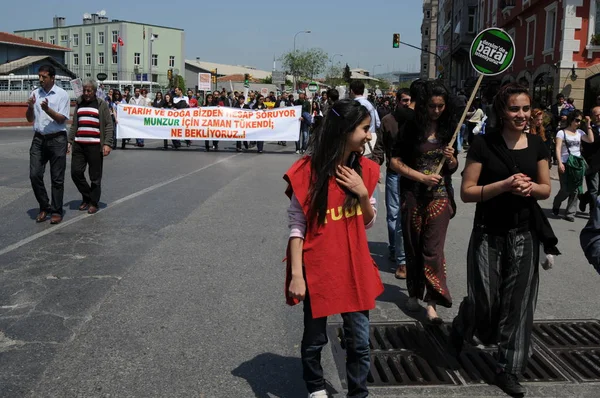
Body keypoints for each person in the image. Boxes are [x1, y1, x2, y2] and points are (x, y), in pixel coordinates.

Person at [451, 83, 552, 397]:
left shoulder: (537, 144)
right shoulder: (484, 144)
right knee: (486, 301)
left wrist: (528, 188)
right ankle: (464, 321)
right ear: (501, 111)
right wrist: (505, 184)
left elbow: (545, 188)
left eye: (525, 108)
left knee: (519, 304)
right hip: (487, 234)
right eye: (514, 109)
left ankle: (508, 368)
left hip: (524, 233)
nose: (521, 115)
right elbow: (467, 193)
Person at [284, 99, 383, 398]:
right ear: (344, 130)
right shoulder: (307, 172)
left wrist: (363, 194)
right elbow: (297, 227)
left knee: (360, 341)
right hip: (318, 269)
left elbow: (367, 222)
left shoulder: (365, 170)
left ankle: (358, 393)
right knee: (315, 340)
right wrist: (297, 276)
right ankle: (316, 388)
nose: (369, 135)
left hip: (355, 268)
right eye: (365, 129)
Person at [390, 80, 458, 323]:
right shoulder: (410, 128)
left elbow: (453, 167)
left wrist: (450, 160)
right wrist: (420, 177)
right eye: (432, 106)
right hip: (413, 195)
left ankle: (432, 302)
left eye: (441, 106)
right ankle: (414, 292)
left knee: (433, 250)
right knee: (414, 246)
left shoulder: (449, 129)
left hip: (439, 197)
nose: (437, 111)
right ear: (424, 106)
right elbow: (394, 162)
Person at [371, 88, 413, 279]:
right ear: (397, 101)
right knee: (394, 214)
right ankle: (395, 249)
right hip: (394, 173)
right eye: (404, 100)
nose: (407, 103)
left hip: (413, 174)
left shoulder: (418, 120)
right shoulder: (388, 121)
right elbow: (380, 146)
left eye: (410, 100)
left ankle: (404, 255)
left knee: (407, 215)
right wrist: (373, 168)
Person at [26, 64, 71, 224]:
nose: (41, 80)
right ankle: (45, 206)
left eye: (44, 77)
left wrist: (47, 110)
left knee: (57, 178)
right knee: (34, 174)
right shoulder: (35, 93)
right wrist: (31, 107)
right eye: (39, 76)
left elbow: (61, 119)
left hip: (57, 139)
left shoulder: (62, 95)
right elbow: (30, 119)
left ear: (52, 78)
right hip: (39, 139)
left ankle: (57, 211)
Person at [67, 78, 114, 215]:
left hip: (95, 146)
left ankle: (93, 203)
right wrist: (69, 141)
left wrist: (107, 143)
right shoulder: (79, 103)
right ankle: (88, 196)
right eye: (84, 90)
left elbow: (108, 125)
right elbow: (74, 124)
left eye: (89, 90)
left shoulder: (101, 104)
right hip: (79, 145)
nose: (86, 93)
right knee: (75, 173)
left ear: (94, 91)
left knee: (95, 177)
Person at [552, 110, 594, 221]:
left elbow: (591, 140)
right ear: (571, 120)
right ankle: (556, 203)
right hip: (565, 163)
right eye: (577, 120)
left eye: (580, 121)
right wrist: (560, 162)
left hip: (577, 164)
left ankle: (570, 213)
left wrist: (588, 125)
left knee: (575, 190)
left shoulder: (580, 132)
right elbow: (558, 148)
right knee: (565, 189)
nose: (579, 123)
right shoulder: (561, 133)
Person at [350, 81, 381, 157]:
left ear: (351, 91)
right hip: (371, 140)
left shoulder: (355, 105)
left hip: (358, 142)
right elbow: (378, 123)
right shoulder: (370, 104)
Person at [579, 106, 600, 212]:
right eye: (597, 115)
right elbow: (590, 142)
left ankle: (584, 198)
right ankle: (593, 212)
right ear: (592, 116)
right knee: (594, 189)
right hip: (592, 163)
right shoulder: (586, 128)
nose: (599, 117)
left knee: (598, 189)